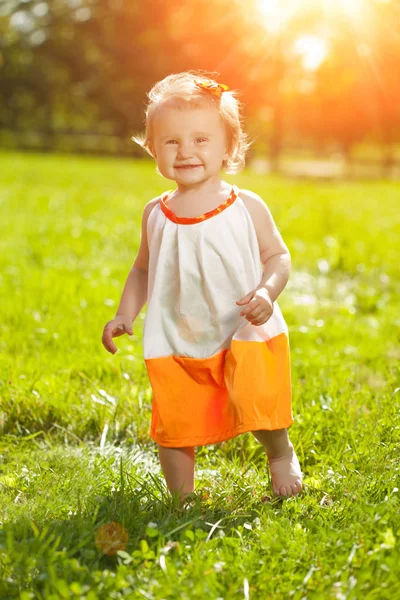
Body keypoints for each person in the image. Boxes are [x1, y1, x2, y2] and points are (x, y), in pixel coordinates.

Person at [102, 70, 303, 500]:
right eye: (171, 141)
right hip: (178, 336)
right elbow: (141, 269)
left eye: (200, 139)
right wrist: (125, 313)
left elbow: (278, 257)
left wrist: (267, 292)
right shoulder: (155, 212)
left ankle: (280, 454)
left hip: (242, 327)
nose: (185, 151)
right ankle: (182, 499)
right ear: (152, 148)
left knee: (258, 401)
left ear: (228, 146)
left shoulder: (245, 205)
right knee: (173, 420)